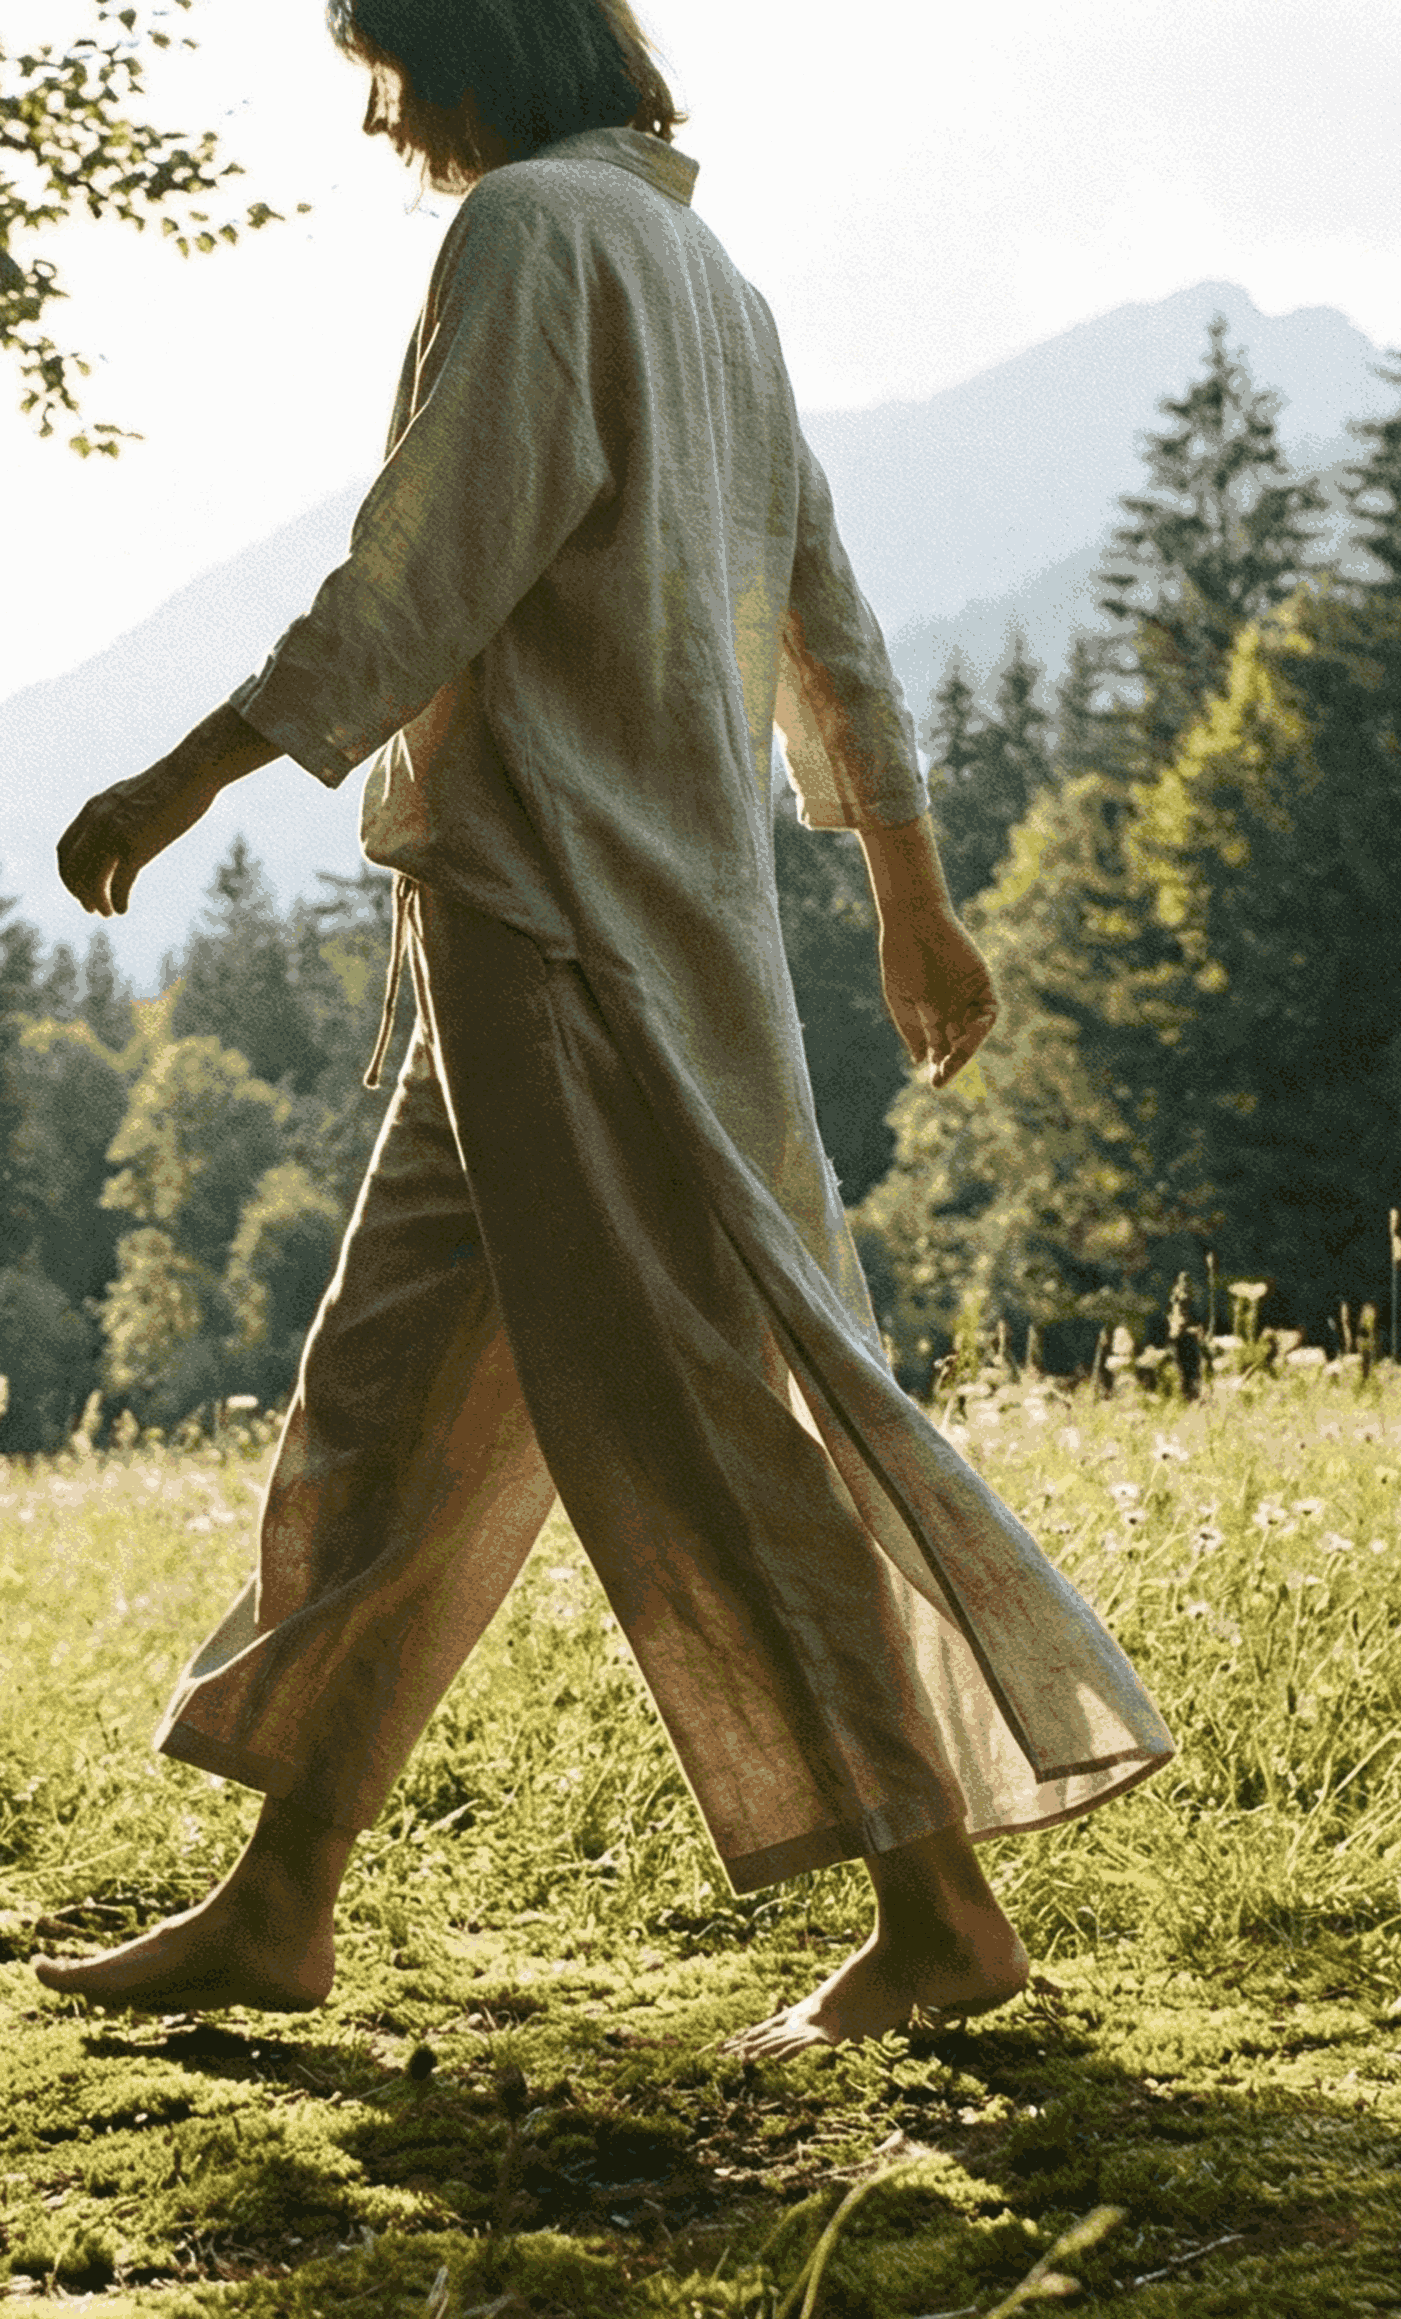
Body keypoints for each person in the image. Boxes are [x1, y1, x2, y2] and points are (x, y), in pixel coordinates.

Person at [37, 0, 1174, 2057]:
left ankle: (940, 1905)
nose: (383, 110)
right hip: (557, 926)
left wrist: (181, 776)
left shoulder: (541, 239)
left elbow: (425, 571)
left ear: (488, 35)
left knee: (702, 1417)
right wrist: (907, 890)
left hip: (570, 938)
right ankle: (281, 1899)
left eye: (395, 57)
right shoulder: (696, 267)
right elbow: (829, 604)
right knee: (389, 1402)